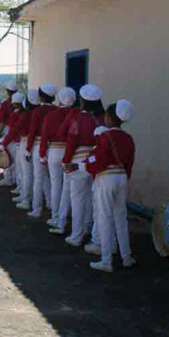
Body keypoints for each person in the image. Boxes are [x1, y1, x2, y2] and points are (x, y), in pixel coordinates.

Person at [86, 101, 136, 272]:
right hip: (122, 177)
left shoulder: (105, 136)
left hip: (107, 177)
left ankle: (106, 260)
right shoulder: (128, 138)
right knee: (121, 218)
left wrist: (87, 162)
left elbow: (97, 158)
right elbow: (129, 163)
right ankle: (126, 257)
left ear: (109, 117)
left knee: (105, 218)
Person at [61, 84, 102, 247]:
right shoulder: (100, 120)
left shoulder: (79, 118)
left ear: (83, 101)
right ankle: (88, 229)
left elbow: (72, 140)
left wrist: (66, 160)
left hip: (77, 161)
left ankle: (76, 235)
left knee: (77, 199)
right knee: (90, 199)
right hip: (93, 162)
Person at [41, 87, 77, 234]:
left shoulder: (51, 115)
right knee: (68, 187)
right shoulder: (76, 114)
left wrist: (42, 154)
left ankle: (55, 216)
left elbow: (44, 135)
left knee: (56, 185)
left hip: (54, 150)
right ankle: (65, 216)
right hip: (70, 151)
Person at [25, 83, 57, 218]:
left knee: (39, 178)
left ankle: (37, 208)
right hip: (55, 147)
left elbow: (32, 132)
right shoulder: (56, 110)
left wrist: (28, 149)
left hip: (39, 145)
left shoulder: (37, 111)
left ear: (42, 97)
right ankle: (51, 204)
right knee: (52, 180)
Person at [14, 90, 39, 210]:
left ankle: (27, 200)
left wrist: (28, 149)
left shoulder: (28, 114)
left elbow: (18, 129)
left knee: (27, 174)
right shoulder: (45, 111)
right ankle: (48, 203)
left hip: (27, 143)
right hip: (42, 145)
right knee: (41, 177)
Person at [1, 92, 26, 194]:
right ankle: (20, 187)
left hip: (18, 142)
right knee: (21, 169)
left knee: (21, 169)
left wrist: (4, 143)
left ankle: (21, 189)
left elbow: (13, 130)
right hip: (21, 142)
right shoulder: (24, 113)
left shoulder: (17, 114)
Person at [0, 82, 19, 186]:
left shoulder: (5, 103)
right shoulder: (21, 101)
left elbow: (0, 117)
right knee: (16, 158)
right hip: (19, 133)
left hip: (9, 129)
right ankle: (16, 179)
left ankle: (8, 178)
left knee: (6, 155)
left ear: (8, 92)